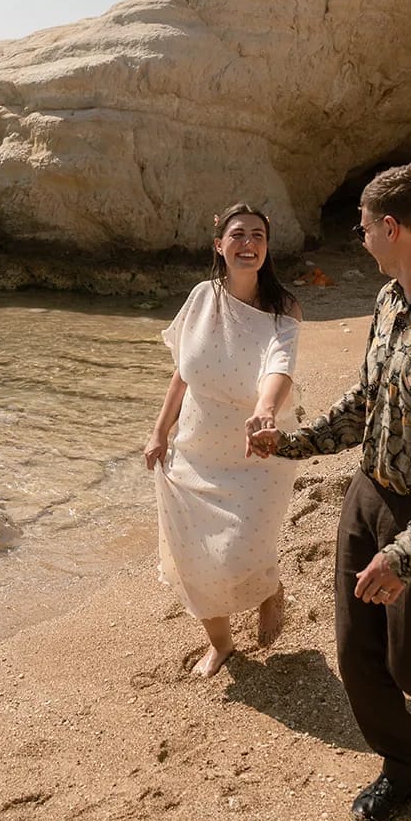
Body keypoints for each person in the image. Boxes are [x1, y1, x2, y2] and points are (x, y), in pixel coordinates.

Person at [249, 164, 411, 821]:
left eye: (362, 228)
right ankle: (401, 767)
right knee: (357, 655)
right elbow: (365, 401)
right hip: (369, 495)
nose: (360, 240)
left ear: (389, 227)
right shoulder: (390, 300)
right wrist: (292, 442)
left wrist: (409, 551)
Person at [144, 204, 302, 677]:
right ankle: (221, 645)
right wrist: (159, 431)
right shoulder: (200, 298)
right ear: (219, 245)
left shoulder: (282, 308)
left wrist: (265, 409)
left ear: (267, 247)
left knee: (238, 552)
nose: (248, 243)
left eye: (258, 235)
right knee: (195, 560)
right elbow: (183, 372)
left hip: (258, 449)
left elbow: (281, 364)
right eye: (237, 235)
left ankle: (268, 586)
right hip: (193, 451)